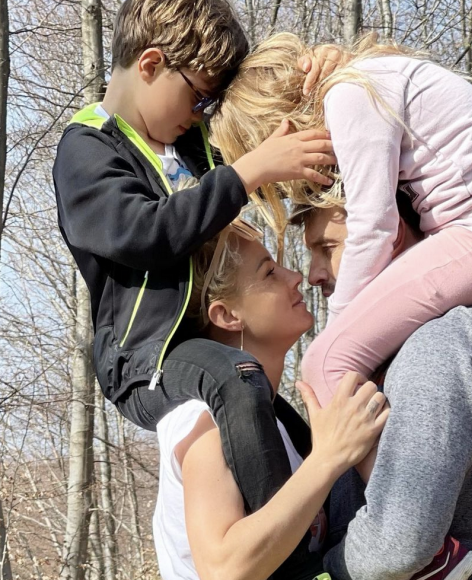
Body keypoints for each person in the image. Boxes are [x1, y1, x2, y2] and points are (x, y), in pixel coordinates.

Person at [52, 5, 345, 574]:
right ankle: (288, 561)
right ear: (152, 64)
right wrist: (245, 173)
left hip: (198, 347)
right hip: (145, 358)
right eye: (200, 96)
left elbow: (260, 146)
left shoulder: (188, 143)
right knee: (239, 383)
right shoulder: (87, 151)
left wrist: (319, 82)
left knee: (282, 420)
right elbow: (148, 234)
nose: (203, 113)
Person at [209, 32, 472, 408]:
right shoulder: (366, 81)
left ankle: (366, 470)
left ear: (278, 123)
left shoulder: (350, 95)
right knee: (366, 362)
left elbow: (374, 226)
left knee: (325, 365)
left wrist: (338, 324)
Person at [290, 201, 472, 580]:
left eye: (328, 248)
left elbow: (398, 546)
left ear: (389, 234)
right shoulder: (467, 343)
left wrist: (325, 569)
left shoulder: (437, 348)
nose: (313, 274)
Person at [153, 217, 389, 580]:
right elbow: (224, 569)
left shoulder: (273, 422)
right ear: (228, 315)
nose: (295, 276)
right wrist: (329, 459)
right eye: (268, 274)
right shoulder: (205, 422)